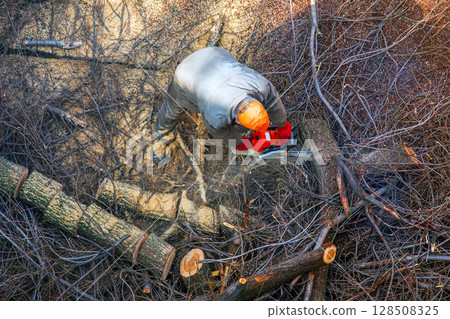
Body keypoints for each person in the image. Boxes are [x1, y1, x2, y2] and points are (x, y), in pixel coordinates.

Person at [152, 47, 291, 163]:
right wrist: (241, 145)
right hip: (186, 74)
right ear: (236, 120)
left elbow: (273, 101)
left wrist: (282, 125)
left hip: (215, 54)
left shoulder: (260, 86)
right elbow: (223, 134)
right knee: (171, 111)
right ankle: (160, 137)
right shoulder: (216, 116)